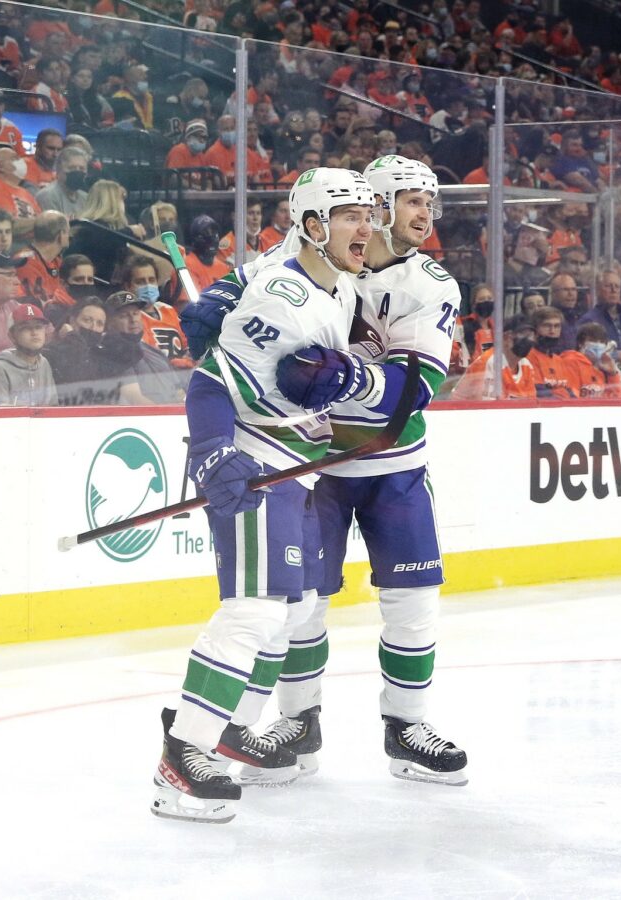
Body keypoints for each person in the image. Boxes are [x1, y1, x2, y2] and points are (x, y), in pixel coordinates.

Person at [180, 158, 470, 786]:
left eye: (430, 203)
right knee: (297, 605)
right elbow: (261, 282)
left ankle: (407, 727)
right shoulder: (326, 252)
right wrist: (222, 296)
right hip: (320, 464)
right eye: (414, 202)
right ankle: (288, 723)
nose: (426, 216)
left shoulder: (430, 285)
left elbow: (415, 388)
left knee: (415, 601)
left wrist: (349, 377)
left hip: (394, 465)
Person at [151, 168, 376, 824]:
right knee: (252, 612)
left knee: (296, 609)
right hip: (259, 469)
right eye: (348, 215)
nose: (366, 227)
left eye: (369, 214)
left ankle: (225, 731)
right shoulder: (286, 294)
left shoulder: (335, 290)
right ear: (311, 226)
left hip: (296, 472)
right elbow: (210, 382)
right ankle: (181, 758)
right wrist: (215, 452)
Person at [101, 289, 184, 405]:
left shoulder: (154, 351)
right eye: (124, 316)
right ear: (109, 322)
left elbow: (179, 392)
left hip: (169, 416)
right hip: (140, 420)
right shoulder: (112, 351)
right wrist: (165, 416)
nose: (133, 320)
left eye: (135, 313)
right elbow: (135, 399)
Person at [577, 268, 621, 392]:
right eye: (608, 286)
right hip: (602, 383)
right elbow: (582, 353)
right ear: (598, 289)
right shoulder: (589, 320)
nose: (613, 290)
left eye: (617, 286)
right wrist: (615, 355)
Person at [0, 302, 57, 406]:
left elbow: (52, 406)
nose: (34, 332)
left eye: (39, 327)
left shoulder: (44, 363)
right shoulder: (0, 369)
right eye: (26, 328)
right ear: (12, 336)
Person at [451, 313, 537, 400]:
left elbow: (531, 403)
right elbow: (489, 408)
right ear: (506, 337)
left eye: (531, 336)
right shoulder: (490, 361)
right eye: (524, 335)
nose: (529, 340)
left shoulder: (526, 365)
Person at [15, 211, 72, 308]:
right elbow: (38, 304)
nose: (70, 236)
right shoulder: (26, 262)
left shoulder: (56, 261)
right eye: (67, 232)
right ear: (61, 235)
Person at [562, 321, 621, 398]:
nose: (598, 344)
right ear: (580, 343)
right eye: (593, 340)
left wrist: (612, 374)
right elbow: (572, 397)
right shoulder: (571, 362)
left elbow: (615, 400)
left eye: (602, 342)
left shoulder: (601, 367)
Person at [528, 306, 577, 398]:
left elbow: (571, 393)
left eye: (557, 326)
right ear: (535, 329)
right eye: (547, 326)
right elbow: (538, 392)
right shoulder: (528, 357)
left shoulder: (559, 360)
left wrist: (560, 393)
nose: (552, 331)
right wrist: (560, 393)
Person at [35, 146, 90, 218]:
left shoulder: (85, 198)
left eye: (81, 168)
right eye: (71, 168)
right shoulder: (48, 196)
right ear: (58, 170)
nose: (77, 171)